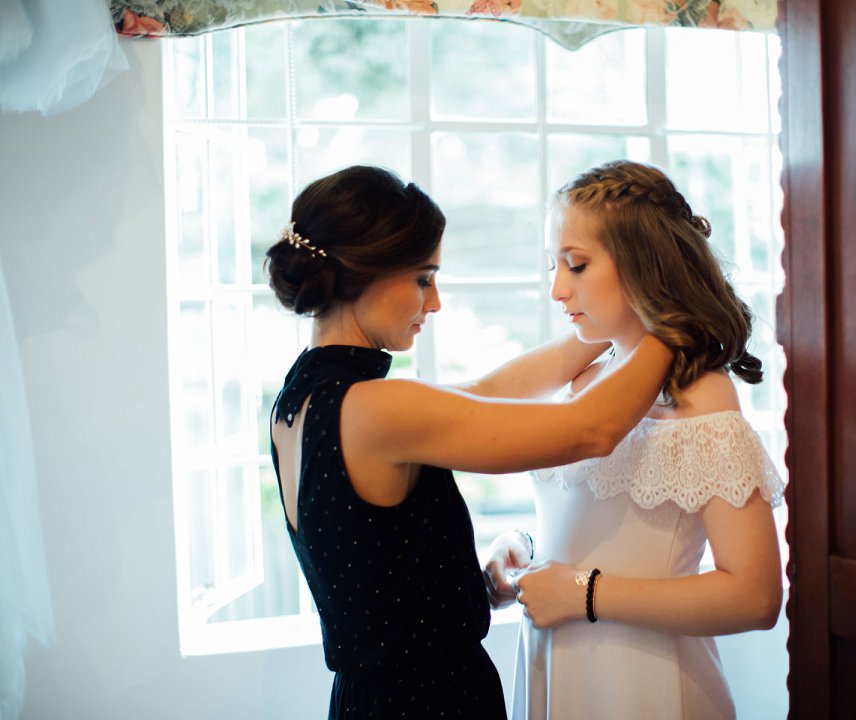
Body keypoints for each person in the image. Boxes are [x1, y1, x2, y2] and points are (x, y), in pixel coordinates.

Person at [264, 165, 673, 720]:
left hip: (367, 703)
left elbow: (489, 391)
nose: (434, 302)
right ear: (365, 274)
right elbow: (591, 430)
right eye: (422, 278)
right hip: (432, 705)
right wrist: (675, 316)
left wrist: (604, 325)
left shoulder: (301, 400)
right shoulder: (379, 408)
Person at [483, 160, 786, 720]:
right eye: (554, 265)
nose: (557, 288)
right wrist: (525, 547)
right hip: (560, 671)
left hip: (646, 682)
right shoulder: (586, 373)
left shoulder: (703, 396)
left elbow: (756, 595)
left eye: (575, 265)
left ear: (644, 264)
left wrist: (583, 593)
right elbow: (594, 514)